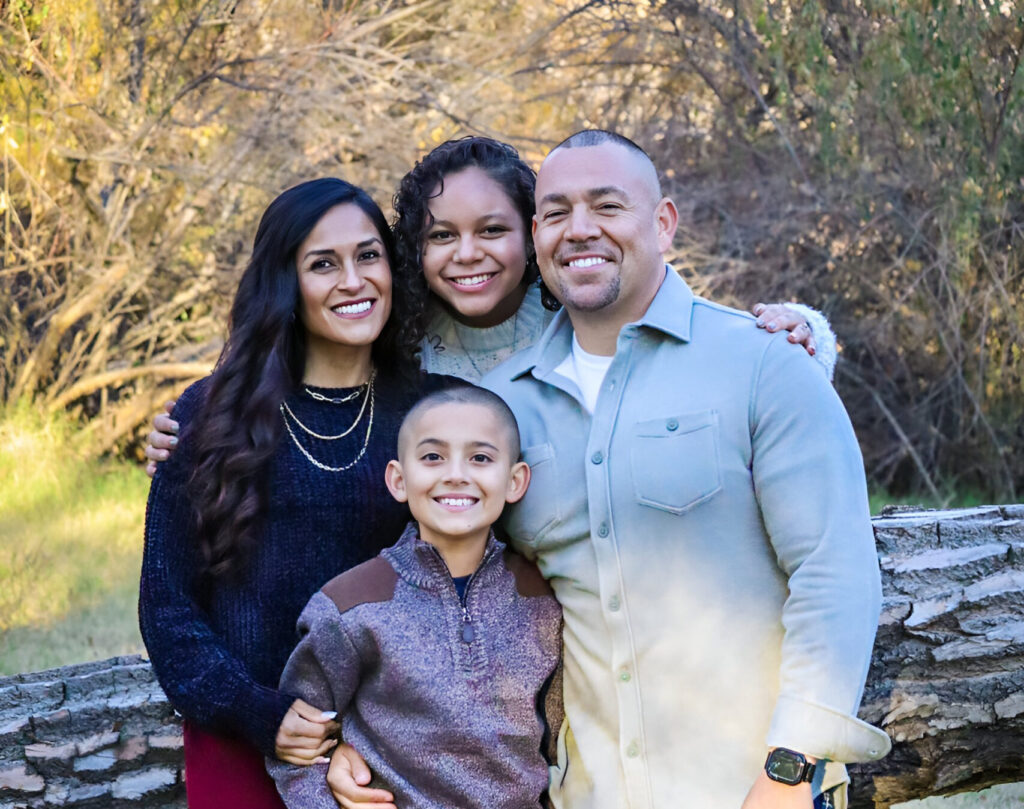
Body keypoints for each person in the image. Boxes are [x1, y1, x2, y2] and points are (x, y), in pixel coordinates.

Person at [476, 130, 891, 808]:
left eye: (606, 206)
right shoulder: (500, 409)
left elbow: (834, 573)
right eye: (555, 213)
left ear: (662, 222)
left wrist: (789, 771)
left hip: (753, 791)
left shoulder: (765, 365)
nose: (579, 229)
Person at [143, 137, 834, 475]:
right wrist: (189, 430)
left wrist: (805, 330)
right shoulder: (403, 347)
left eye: (493, 231)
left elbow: (682, 336)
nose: (467, 253)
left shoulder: (574, 315)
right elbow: (306, 378)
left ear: (533, 234)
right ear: (413, 247)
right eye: (442, 236)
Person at [139, 178, 452, 809]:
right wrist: (260, 714)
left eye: (368, 255)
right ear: (286, 285)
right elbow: (168, 607)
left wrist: (368, 738)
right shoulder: (210, 414)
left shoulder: (434, 412)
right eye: (322, 264)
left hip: (392, 751)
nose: (354, 280)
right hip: (242, 740)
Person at [267, 385, 562, 809]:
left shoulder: (543, 601)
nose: (456, 474)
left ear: (515, 481)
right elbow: (299, 749)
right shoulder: (350, 607)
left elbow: (562, 742)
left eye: (480, 458)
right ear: (399, 480)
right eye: (432, 457)